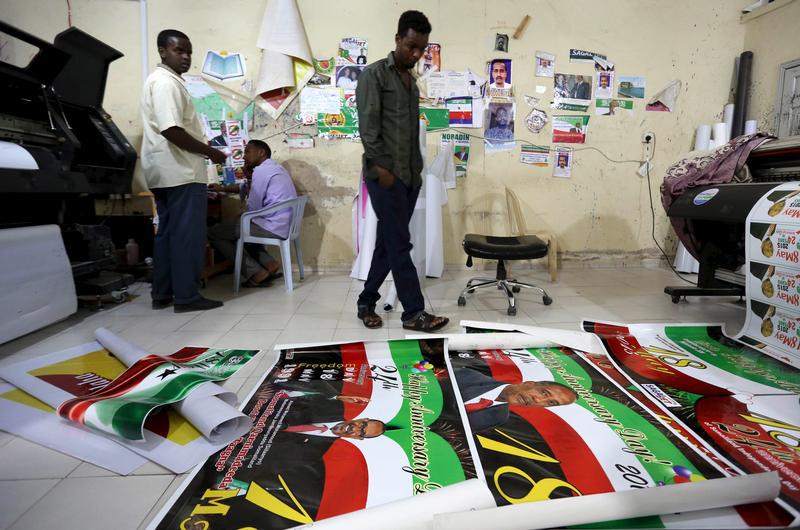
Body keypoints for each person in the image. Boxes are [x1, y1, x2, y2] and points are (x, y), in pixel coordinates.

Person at [354, 10, 449, 333]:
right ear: (397, 40)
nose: (416, 53)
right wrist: (383, 170)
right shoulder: (375, 75)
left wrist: (416, 173)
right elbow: (369, 128)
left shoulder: (410, 82)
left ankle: (366, 301)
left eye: (421, 48)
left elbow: (408, 133)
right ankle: (414, 312)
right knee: (399, 243)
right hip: (384, 176)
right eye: (410, 46)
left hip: (408, 177)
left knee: (388, 241)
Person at [140, 29, 227, 313]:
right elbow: (171, 129)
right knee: (187, 237)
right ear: (163, 51)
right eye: (179, 51)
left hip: (163, 172)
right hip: (180, 172)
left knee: (167, 235)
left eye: (189, 52)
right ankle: (187, 297)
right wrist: (211, 152)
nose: (186, 57)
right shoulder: (166, 83)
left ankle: (162, 294)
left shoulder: (161, 81)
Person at [207, 140, 297, 287]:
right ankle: (269, 264)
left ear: (261, 153)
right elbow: (246, 188)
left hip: (273, 227)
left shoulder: (262, 171)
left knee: (214, 233)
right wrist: (222, 188)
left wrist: (241, 217)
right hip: (282, 224)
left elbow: (253, 207)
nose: (244, 157)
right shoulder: (275, 168)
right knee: (240, 228)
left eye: (247, 152)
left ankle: (255, 272)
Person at [455, 367, 578, 432]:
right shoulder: (469, 376)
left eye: (551, 403)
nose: (537, 400)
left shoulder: (499, 417)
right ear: (529, 383)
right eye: (544, 393)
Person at [281, 418, 386, 440]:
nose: (355, 427)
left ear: (358, 438)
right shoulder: (329, 403)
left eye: (361, 431)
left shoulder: (317, 455)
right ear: (363, 419)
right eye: (362, 424)